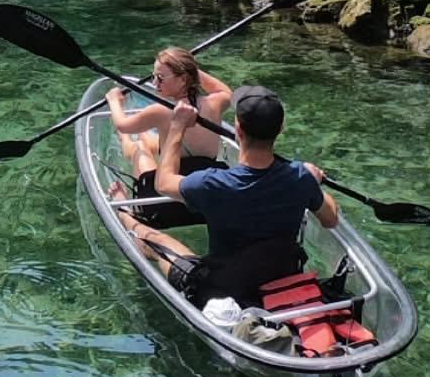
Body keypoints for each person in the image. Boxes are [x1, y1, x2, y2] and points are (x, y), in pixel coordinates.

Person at [112, 83, 339, 309]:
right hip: (282, 276)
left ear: (238, 130)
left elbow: (163, 183)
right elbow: (331, 219)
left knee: (155, 240)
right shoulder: (300, 176)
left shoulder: (214, 182)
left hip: (222, 290)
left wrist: (177, 127)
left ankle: (123, 210)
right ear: (281, 128)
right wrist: (313, 180)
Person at [105, 48, 231, 226]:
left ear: (183, 79)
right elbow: (225, 91)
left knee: (139, 148)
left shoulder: (160, 111)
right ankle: (143, 135)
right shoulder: (215, 102)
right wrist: (192, 68)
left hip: (165, 206)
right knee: (154, 140)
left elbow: (122, 125)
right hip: (208, 202)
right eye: (154, 76)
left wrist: (114, 102)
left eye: (161, 78)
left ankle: (130, 144)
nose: (155, 82)